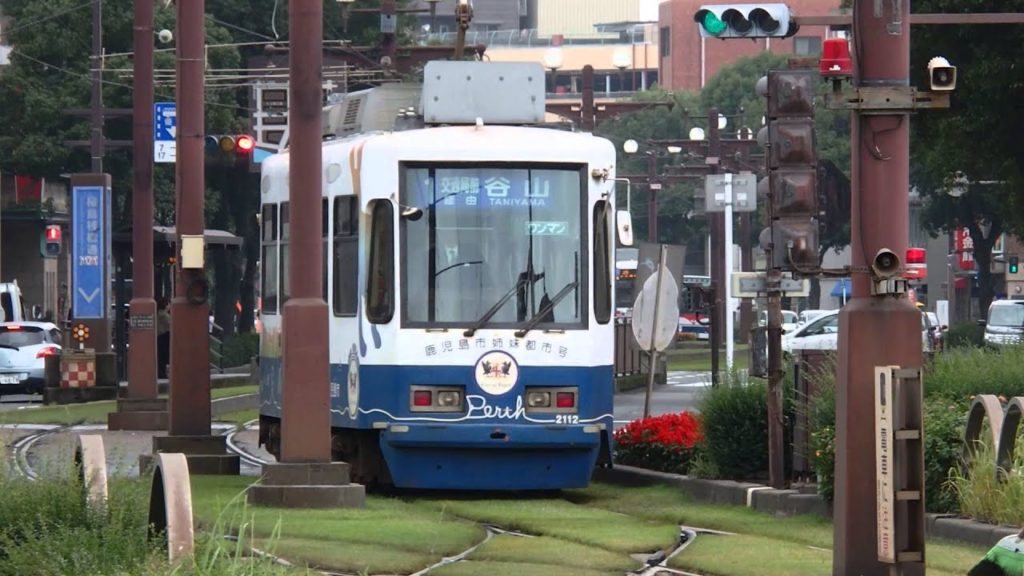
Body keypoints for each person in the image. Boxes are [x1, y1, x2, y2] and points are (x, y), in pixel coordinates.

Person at [157, 298, 171, 379]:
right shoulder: (164, 315)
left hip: (161, 337)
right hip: (164, 337)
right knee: (163, 357)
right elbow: (170, 325)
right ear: (166, 305)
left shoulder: (159, 314)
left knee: (161, 358)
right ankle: (162, 374)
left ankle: (161, 373)